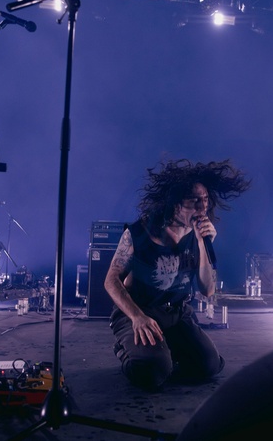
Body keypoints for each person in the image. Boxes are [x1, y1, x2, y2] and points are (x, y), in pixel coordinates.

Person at [104, 159, 251, 390]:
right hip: (140, 311)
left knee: (210, 366)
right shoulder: (140, 233)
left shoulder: (198, 235)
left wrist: (202, 244)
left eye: (205, 200)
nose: (202, 208)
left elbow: (207, 290)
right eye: (194, 201)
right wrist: (137, 317)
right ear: (174, 203)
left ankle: (163, 352)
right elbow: (111, 280)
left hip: (177, 314)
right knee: (152, 373)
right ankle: (129, 351)